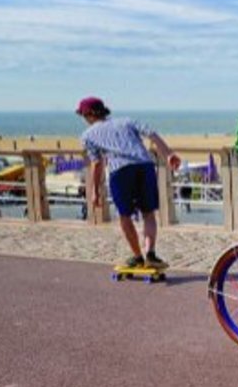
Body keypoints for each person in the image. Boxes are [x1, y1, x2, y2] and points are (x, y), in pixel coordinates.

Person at [76, 97, 179, 269]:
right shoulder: (127, 121)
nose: (84, 119)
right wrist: (168, 154)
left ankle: (138, 256)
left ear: (89, 114)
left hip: (120, 171)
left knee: (125, 216)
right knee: (148, 213)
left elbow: (97, 163)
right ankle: (150, 254)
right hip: (144, 166)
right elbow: (151, 133)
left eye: (83, 115)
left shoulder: (87, 136)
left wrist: (95, 191)